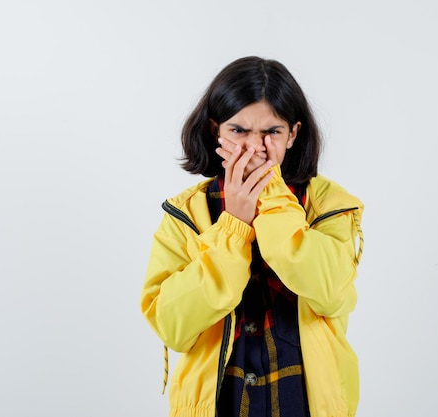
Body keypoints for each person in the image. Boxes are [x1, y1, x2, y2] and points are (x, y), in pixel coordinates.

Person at [140, 56, 364, 417]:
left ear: (293, 134)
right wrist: (234, 225)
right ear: (216, 131)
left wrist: (273, 198)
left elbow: (332, 292)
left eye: (271, 132)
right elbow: (173, 327)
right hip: (220, 402)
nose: (254, 148)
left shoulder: (328, 206)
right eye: (238, 131)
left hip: (302, 401)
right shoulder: (185, 214)